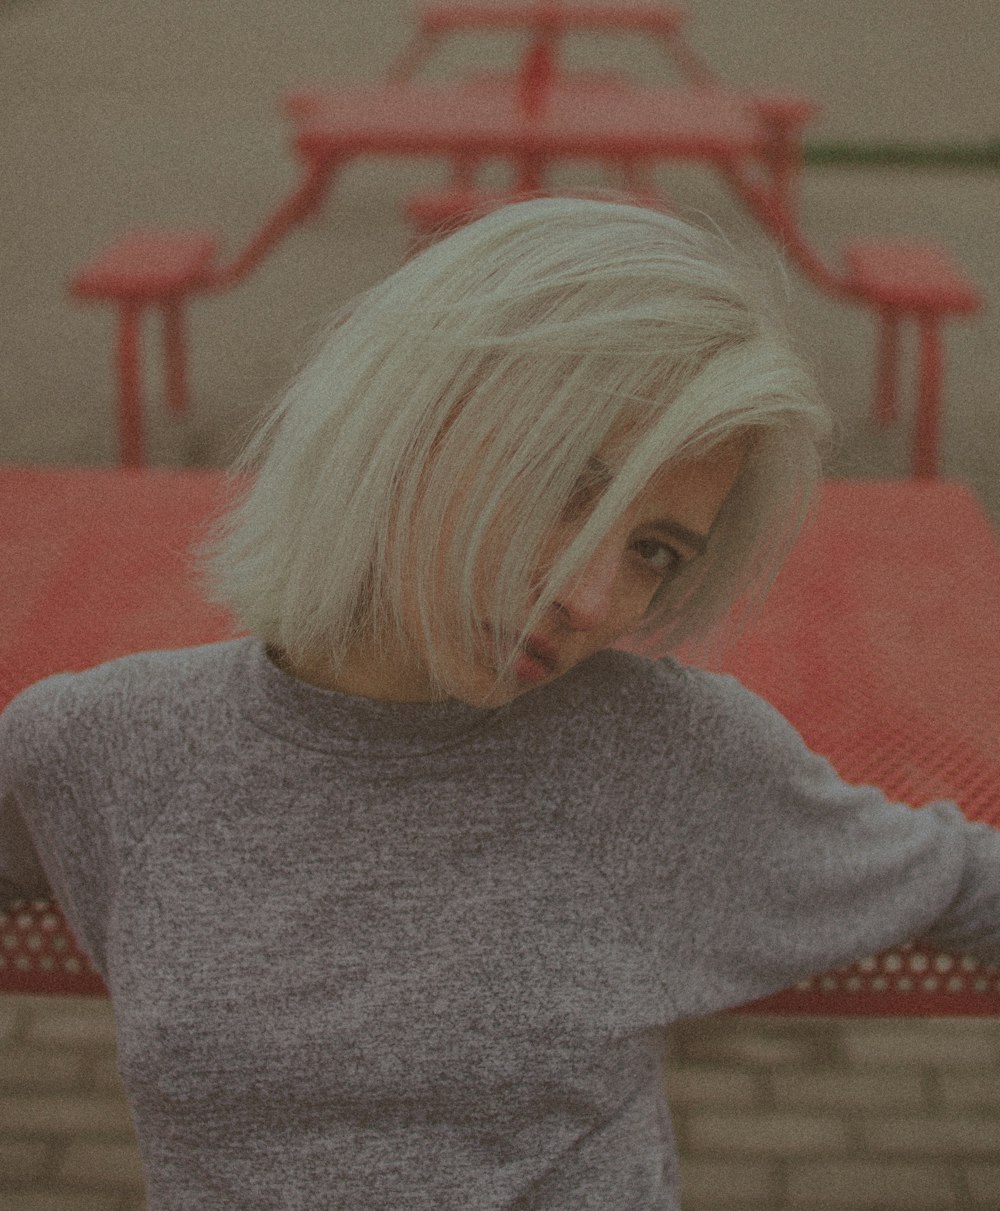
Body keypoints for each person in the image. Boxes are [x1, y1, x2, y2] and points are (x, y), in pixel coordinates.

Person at [2, 197, 998, 1211]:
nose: (593, 596)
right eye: (569, 484)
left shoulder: (663, 756)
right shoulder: (104, 748)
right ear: (410, 417)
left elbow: (964, 877)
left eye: (654, 550)